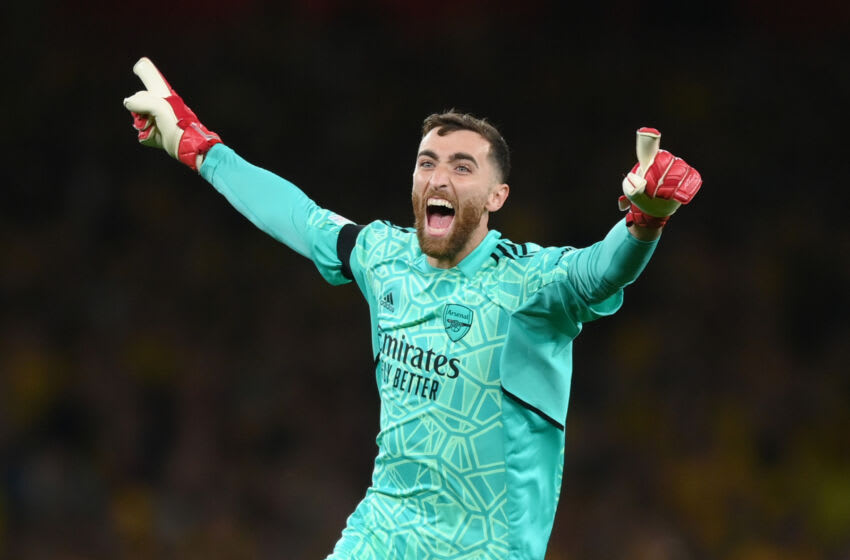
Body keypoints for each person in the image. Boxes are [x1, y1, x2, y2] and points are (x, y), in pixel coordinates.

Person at [124, 57, 702, 560]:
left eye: (462, 166)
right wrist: (200, 149)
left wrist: (645, 221)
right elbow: (298, 217)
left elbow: (600, 271)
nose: (438, 177)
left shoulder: (530, 283)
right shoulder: (384, 255)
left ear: (497, 197)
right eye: (428, 162)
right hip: (381, 533)